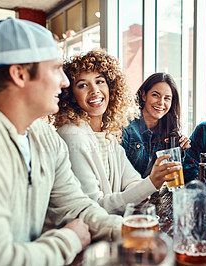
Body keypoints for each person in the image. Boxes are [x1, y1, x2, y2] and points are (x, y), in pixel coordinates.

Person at [0, 18, 122, 266]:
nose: (65, 82)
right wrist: (69, 239)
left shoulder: (44, 136)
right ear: (20, 74)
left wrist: (127, 229)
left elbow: (75, 206)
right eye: (56, 68)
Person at [53, 51, 181, 215]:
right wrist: (150, 183)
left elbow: (132, 181)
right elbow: (95, 207)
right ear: (70, 95)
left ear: (111, 88)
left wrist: (145, 187)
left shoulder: (107, 135)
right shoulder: (72, 135)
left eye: (100, 82)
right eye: (83, 85)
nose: (95, 90)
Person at [121, 72, 191, 178]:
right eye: (155, 95)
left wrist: (180, 151)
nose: (161, 102)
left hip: (156, 193)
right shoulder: (126, 127)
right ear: (144, 95)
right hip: (129, 193)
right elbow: (119, 174)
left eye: (167, 98)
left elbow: (173, 177)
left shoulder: (170, 131)